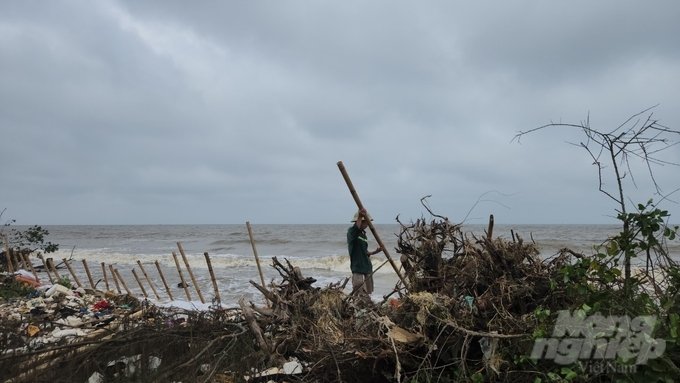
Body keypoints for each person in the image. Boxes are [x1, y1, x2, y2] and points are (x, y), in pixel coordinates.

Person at [347, 207, 382, 295]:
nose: (367, 224)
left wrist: (375, 252)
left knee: (368, 292)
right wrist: (360, 216)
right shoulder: (351, 232)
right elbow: (356, 230)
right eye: (365, 221)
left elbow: (365, 252)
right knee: (358, 291)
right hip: (358, 267)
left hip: (367, 267)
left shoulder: (364, 235)